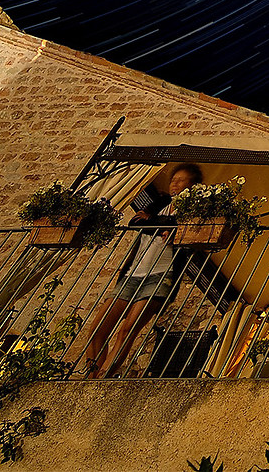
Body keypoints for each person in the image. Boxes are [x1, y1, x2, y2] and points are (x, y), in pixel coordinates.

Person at [71, 162, 201, 379]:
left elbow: (182, 230)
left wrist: (158, 224)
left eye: (181, 180)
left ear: (193, 185)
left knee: (127, 330)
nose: (175, 184)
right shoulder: (159, 201)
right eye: (173, 180)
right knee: (97, 328)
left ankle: (104, 377)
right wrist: (162, 224)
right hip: (132, 274)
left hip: (161, 275)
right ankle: (91, 375)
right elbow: (135, 222)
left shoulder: (193, 210)